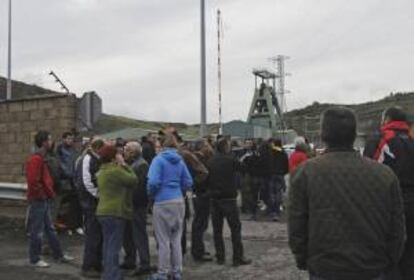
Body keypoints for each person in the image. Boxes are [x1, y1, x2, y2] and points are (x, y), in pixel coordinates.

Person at [288, 107, 405, 280]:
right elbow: (397, 229)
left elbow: (297, 225)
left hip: (325, 269)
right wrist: (389, 260)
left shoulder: (305, 173)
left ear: (323, 135)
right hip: (373, 268)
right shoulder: (386, 174)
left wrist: (303, 259)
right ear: (354, 135)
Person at [367, 107, 414, 280]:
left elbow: (367, 171)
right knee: (409, 257)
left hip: (388, 206)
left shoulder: (382, 140)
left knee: (388, 257)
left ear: (387, 119)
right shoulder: (411, 140)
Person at [147, 134, 193, 280]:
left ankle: (162, 273)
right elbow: (188, 182)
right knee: (176, 239)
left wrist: (152, 194)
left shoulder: (158, 160)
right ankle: (177, 272)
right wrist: (179, 189)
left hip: (162, 202)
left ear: (162, 146)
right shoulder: (180, 161)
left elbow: (153, 182)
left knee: (163, 240)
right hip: (179, 201)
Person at [26, 130, 74, 268]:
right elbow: (33, 182)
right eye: (50, 139)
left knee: (50, 229)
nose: (52, 141)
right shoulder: (36, 159)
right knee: (37, 231)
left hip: (44, 198)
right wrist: (42, 195)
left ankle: (58, 254)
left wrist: (47, 194)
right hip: (38, 200)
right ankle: (34, 259)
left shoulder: (42, 157)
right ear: (44, 142)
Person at [207, 138, 252, 267]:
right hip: (229, 199)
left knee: (217, 230)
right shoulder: (231, 159)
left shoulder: (211, 161)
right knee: (235, 229)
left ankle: (220, 257)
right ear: (226, 147)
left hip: (215, 199)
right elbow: (244, 168)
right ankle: (237, 257)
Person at [96, 144, 138, 280]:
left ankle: (108, 273)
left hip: (102, 212)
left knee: (108, 245)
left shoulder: (102, 171)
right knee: (114, 247)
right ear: (114, 156)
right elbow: (133, 180)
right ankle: (111, 276)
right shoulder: (115, 170)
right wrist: (124, 164)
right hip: (115, 213)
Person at [120, 141, 155, 276]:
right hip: (129, 205)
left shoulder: (141, 165)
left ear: (132, 152)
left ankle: (144, 264)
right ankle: (130, 260)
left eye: (126, 150)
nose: (124, 153)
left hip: (136, 206)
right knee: (127, 234)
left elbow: (139, 189)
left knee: (139, 235)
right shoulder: (134, 164)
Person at [75, 138, 105, 278]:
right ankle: (88, 266)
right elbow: (86, 182)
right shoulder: (88, 159)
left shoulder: (93, 158)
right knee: (93, 235)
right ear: (98, 148)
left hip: (93, 202)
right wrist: (98, 194)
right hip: (90, 203)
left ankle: (96, 264)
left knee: (97, 235)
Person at [191, 139, 214, 262]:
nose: (208, 147)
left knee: (201, 224)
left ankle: (199, 249)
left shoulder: (201, 158)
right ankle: (198, 252)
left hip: (201, 193)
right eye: (206, 145)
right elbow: (199, 177)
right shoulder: (198, 159)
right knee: (199, 224)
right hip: (201, 194)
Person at [56, 132, 83, 234]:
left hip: (73, 182)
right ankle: (63, 227)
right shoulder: (59, 149)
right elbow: (60, 165)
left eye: (71, 139)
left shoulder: (74, 150)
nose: (70, 141)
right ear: (63, 139)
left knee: (74, 205)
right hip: (64, 181)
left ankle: (74, 225)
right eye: (68, 138)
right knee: (63, 206)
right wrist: (67, 174)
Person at [269, 138, 289, 221]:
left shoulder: (271, 152)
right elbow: (286, 165)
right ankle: (277, 210)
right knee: (278, 192)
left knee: (271, 192)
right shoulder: (283, 153)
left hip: (271, 174)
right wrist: (283, 172)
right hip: (280, 174)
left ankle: (273, 211)